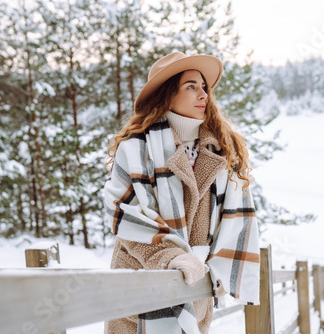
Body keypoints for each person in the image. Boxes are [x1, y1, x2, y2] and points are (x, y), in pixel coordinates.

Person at [103, 51, 260, 334]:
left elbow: (234, 220)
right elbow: (124, 214)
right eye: (191, 86)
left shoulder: (221, 153)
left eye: (204, 87)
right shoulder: (135, 149)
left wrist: (220, 267)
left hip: (196, 288)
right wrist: (170, 256)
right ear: (167, 95)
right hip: (139, 287)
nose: (203, 95)